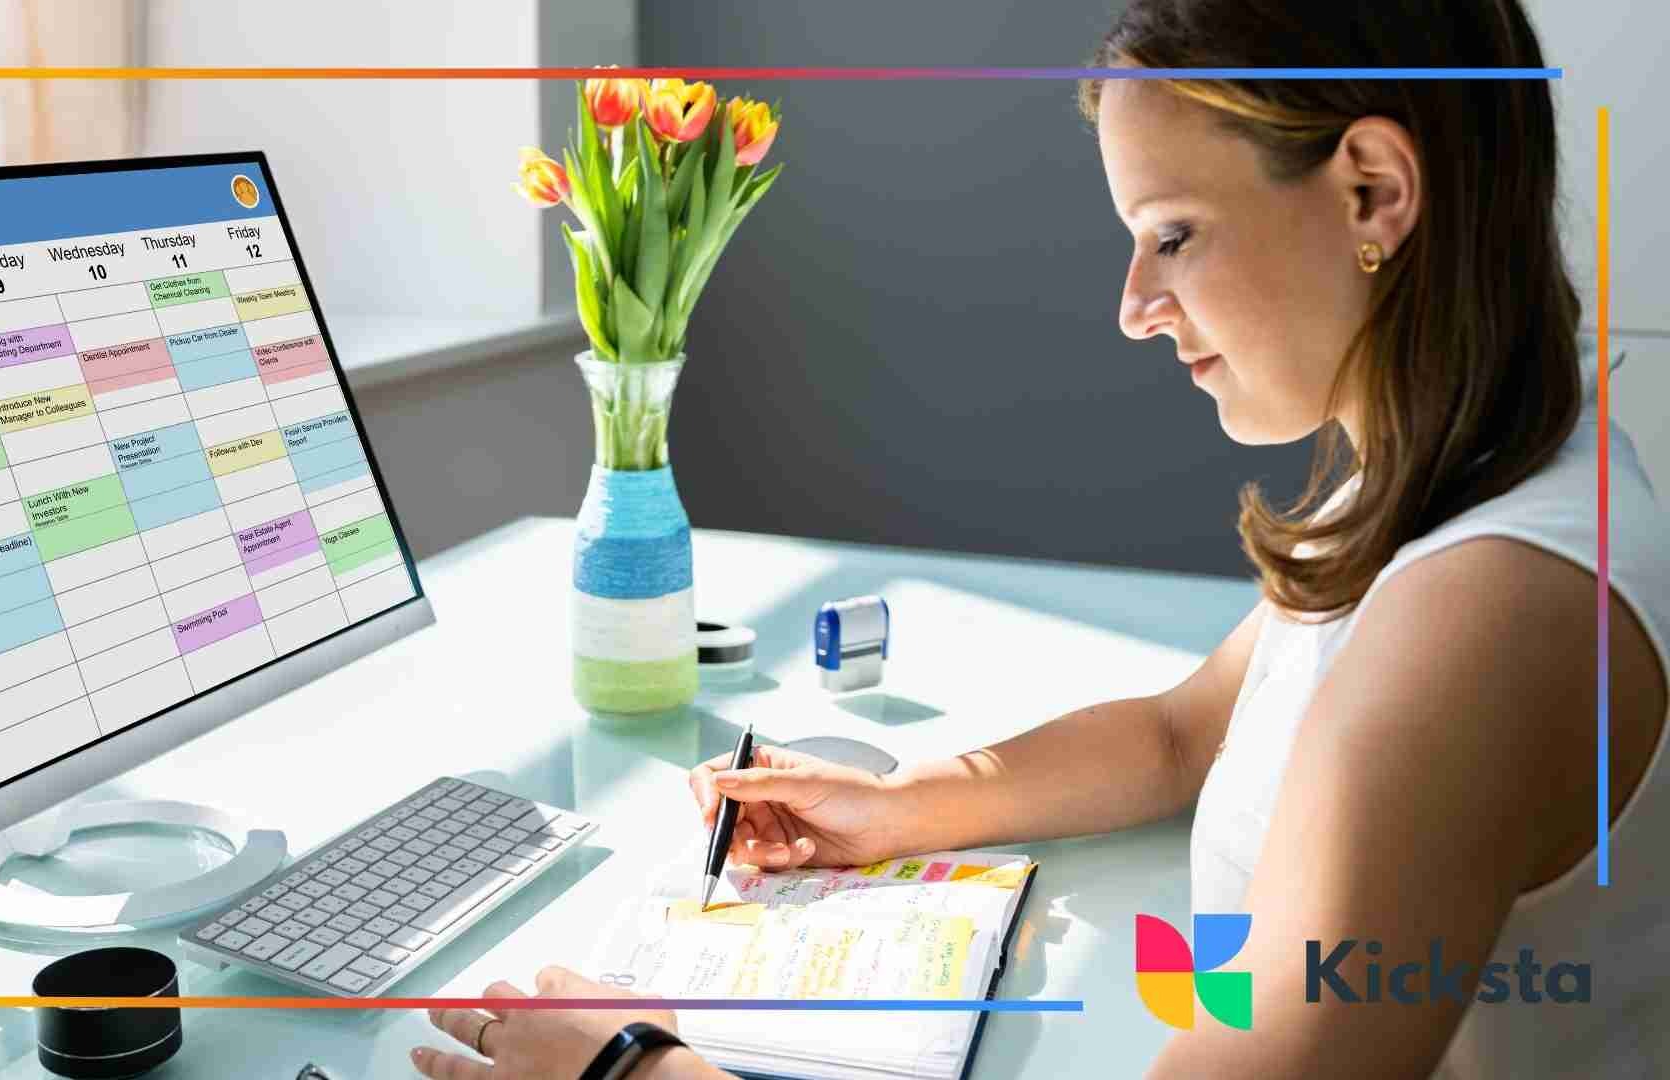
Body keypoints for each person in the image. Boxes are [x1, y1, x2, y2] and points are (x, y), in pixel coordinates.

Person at [413, 1, 1670, 1076]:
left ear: (1373, 192)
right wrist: (899, 807)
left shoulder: (1483, 617)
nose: (1134, 306)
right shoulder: (1459, 471)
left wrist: (636, 1065)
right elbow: (1187, 731)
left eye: (1172, 234)